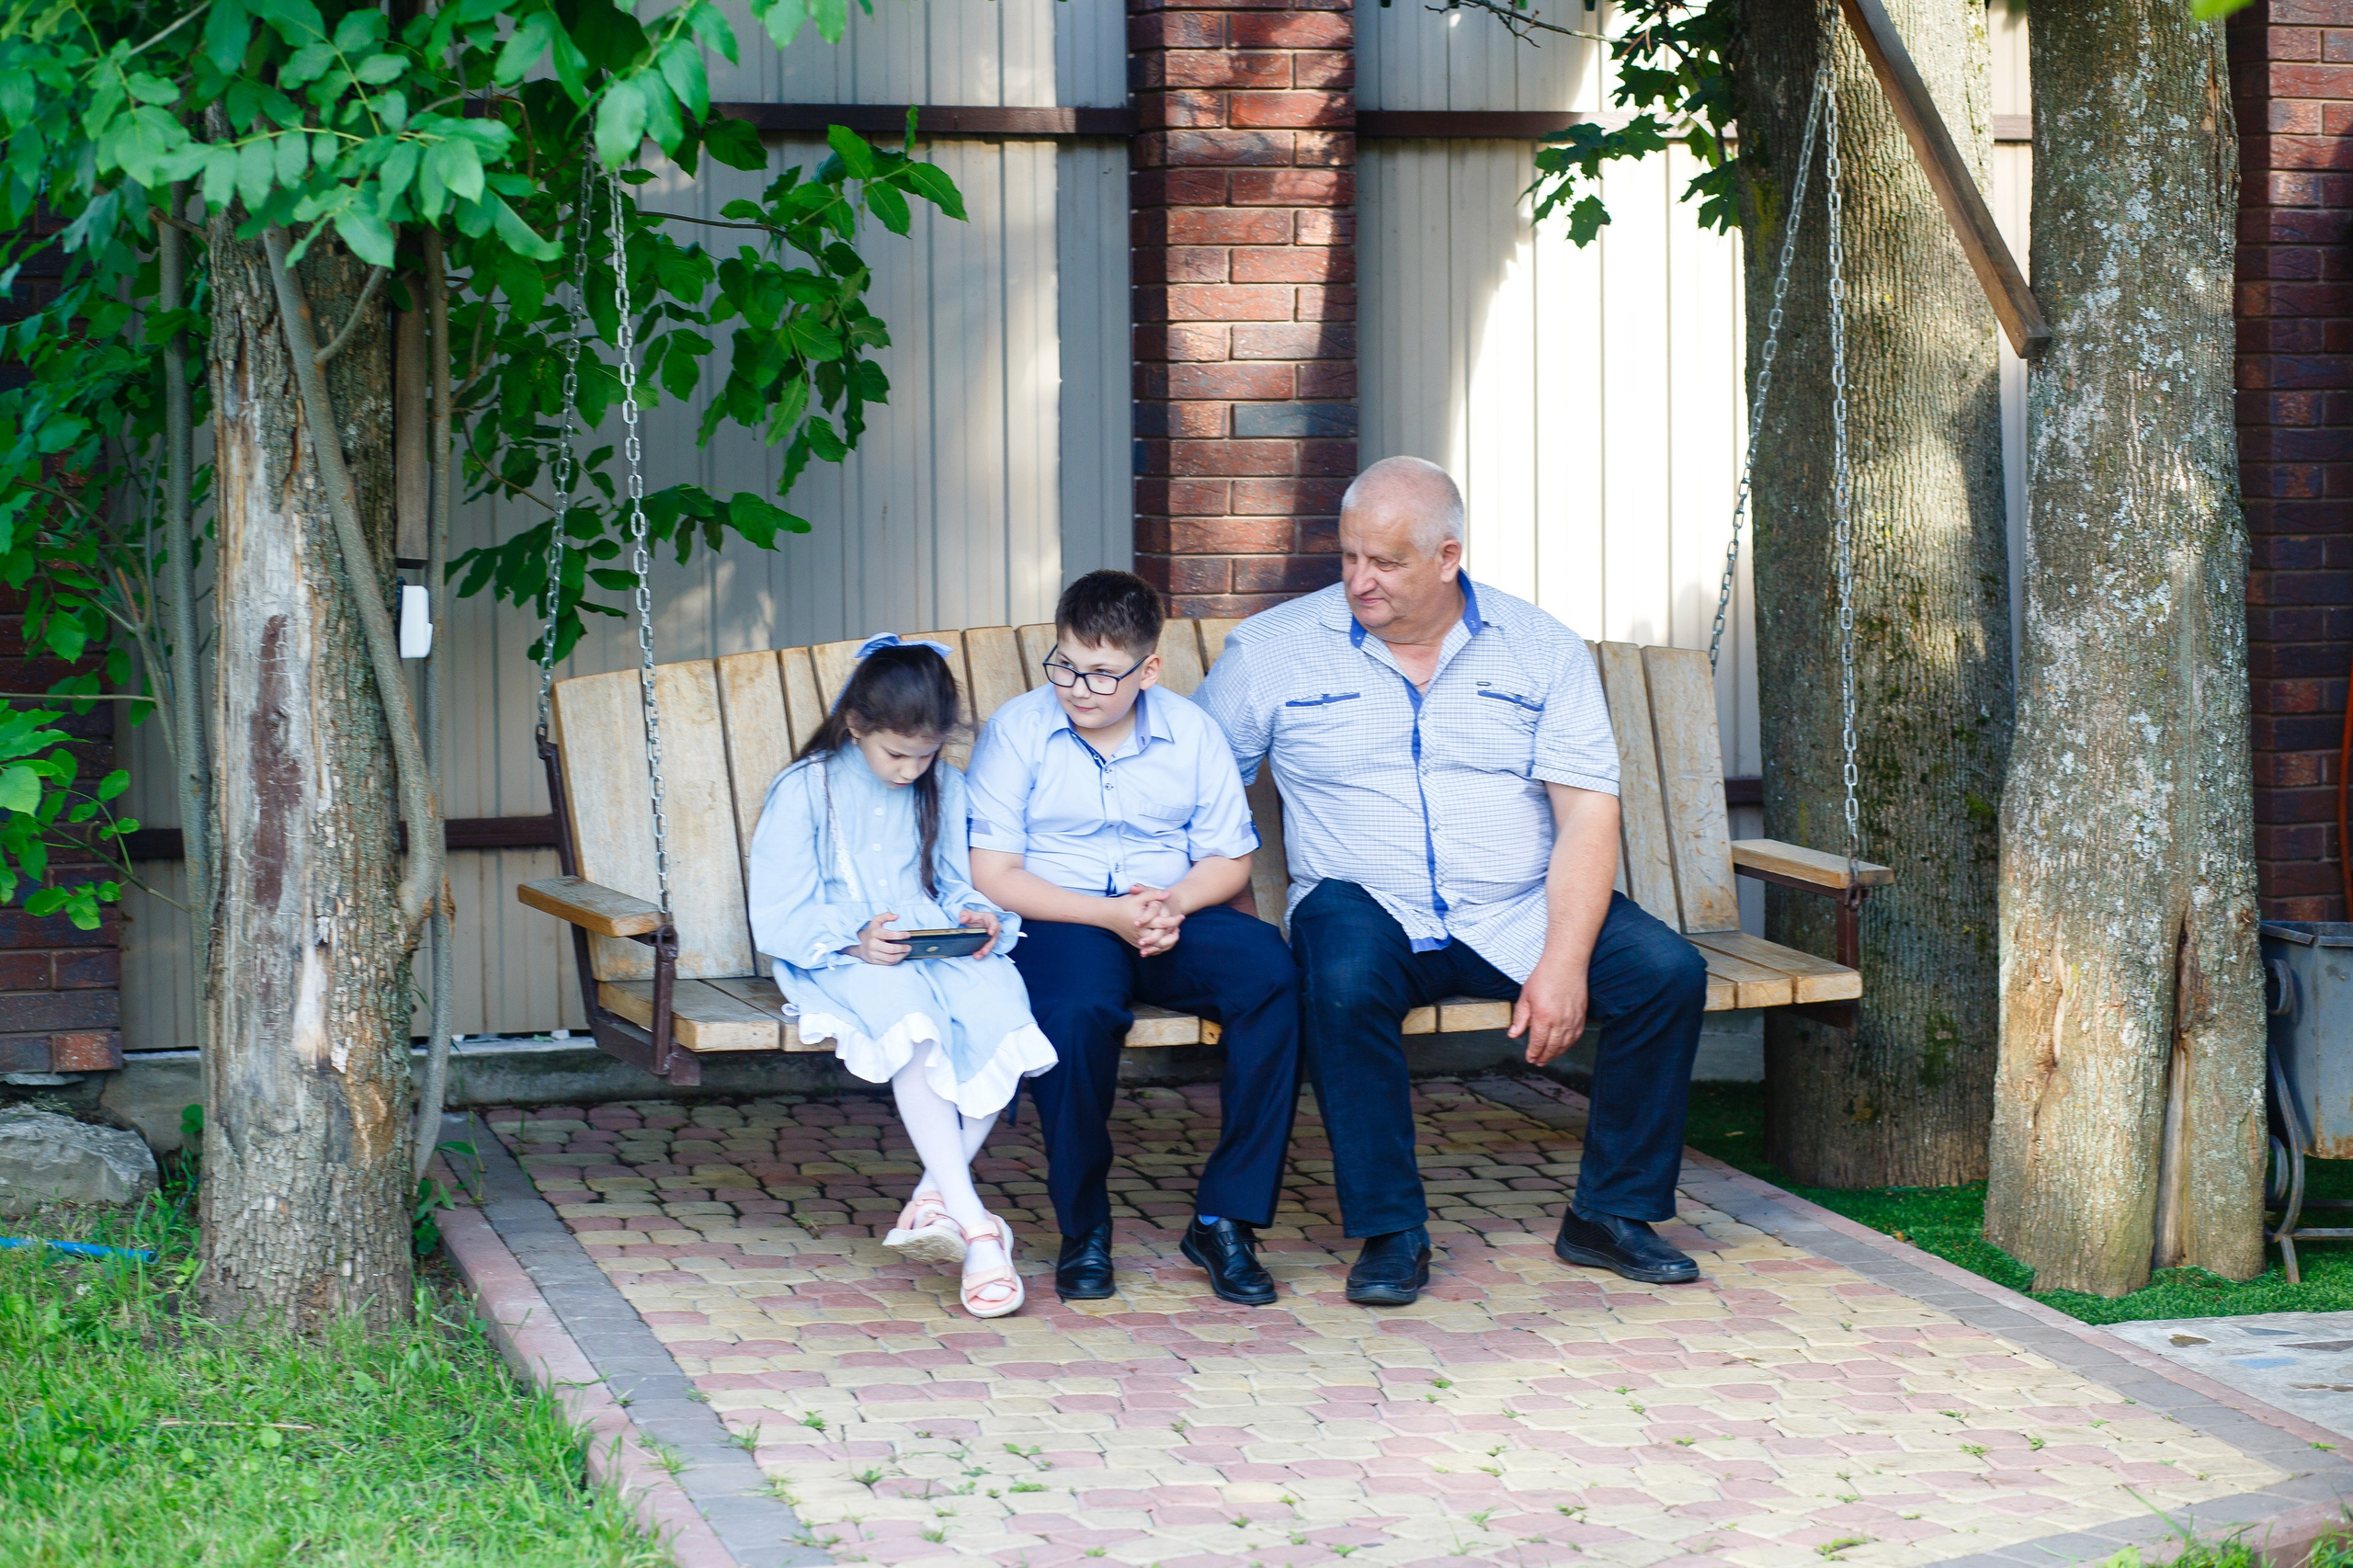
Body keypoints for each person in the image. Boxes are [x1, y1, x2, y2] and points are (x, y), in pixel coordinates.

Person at [1196, 457, 1711, 1307]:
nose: (1360, 580)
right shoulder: (1273, 652)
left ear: (1447, 557)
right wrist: (1233, 916)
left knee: (1667, 973)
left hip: (1515, 904)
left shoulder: (1540, 648)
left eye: (1386, 562)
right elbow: (1196, 786)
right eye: (1349, 556)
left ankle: (1611, 1213)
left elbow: (1587, 813)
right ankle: (1391, 1232)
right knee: (1339, 977)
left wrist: (1563, 962)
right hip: (1365, 903)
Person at [967, 570, 1302, 1306]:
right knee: (1076, 1013)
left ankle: (1226, 1218)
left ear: (1148, 670)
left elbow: (1228, 859)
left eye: (1101, 673)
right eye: (1065, 665)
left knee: (1272, 977)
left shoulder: (1192, 733)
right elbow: (993, 874)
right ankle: (1084, 1227)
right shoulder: (1018, 732)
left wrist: (1171, 904)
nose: (1078, 688)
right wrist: (1107, 914)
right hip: (1063, 915)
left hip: (1169, 911)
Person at [745, 635, 1058, 1320]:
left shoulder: (943, 784)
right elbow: (778, 910)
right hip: (842, 957)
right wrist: (853, 939)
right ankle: (979, 1232)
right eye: (896, 755)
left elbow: (950, 882)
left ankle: (932, 1199)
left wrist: (975, 916)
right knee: (916, 1025)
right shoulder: (808, 788)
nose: (911, 770)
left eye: (925, 755)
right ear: (856, 724)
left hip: (927, 946)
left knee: (1001, 1010)